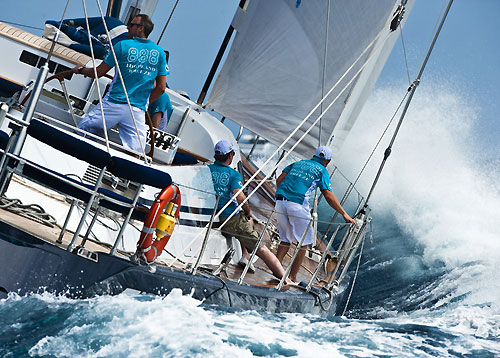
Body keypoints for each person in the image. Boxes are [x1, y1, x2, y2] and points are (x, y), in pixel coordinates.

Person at [72, 14, 167, 153]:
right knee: (136, 153)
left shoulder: (122, 46)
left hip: (113, 103)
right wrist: (143, 105)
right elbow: (161, 88)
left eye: (131, 24)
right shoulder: (159, 53)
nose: (127, 27)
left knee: (81, 134)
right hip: (137, 111)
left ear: (140, 28)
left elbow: (98, 72)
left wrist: (80, 70)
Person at [209, 140, 293, 284]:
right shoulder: (233, 174)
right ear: (230, 155)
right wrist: (249, 211)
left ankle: (245, 256)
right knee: (262, 249)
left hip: (211, 214)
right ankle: (285, 279)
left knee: (244, 221)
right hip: (229, 219)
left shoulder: (207, 169)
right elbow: (239, 196)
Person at [275, 145, 357, 282]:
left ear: (314, 155)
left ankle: (275, 271)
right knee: (304, 242)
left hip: (280, 201)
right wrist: (344, 213)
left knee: (285, 239)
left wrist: (286, 198)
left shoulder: (297, 163)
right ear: (328, 161)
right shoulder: (322, 170)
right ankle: (292, 277)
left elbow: (279, 180)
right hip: (298, 204)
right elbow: (328, 194)